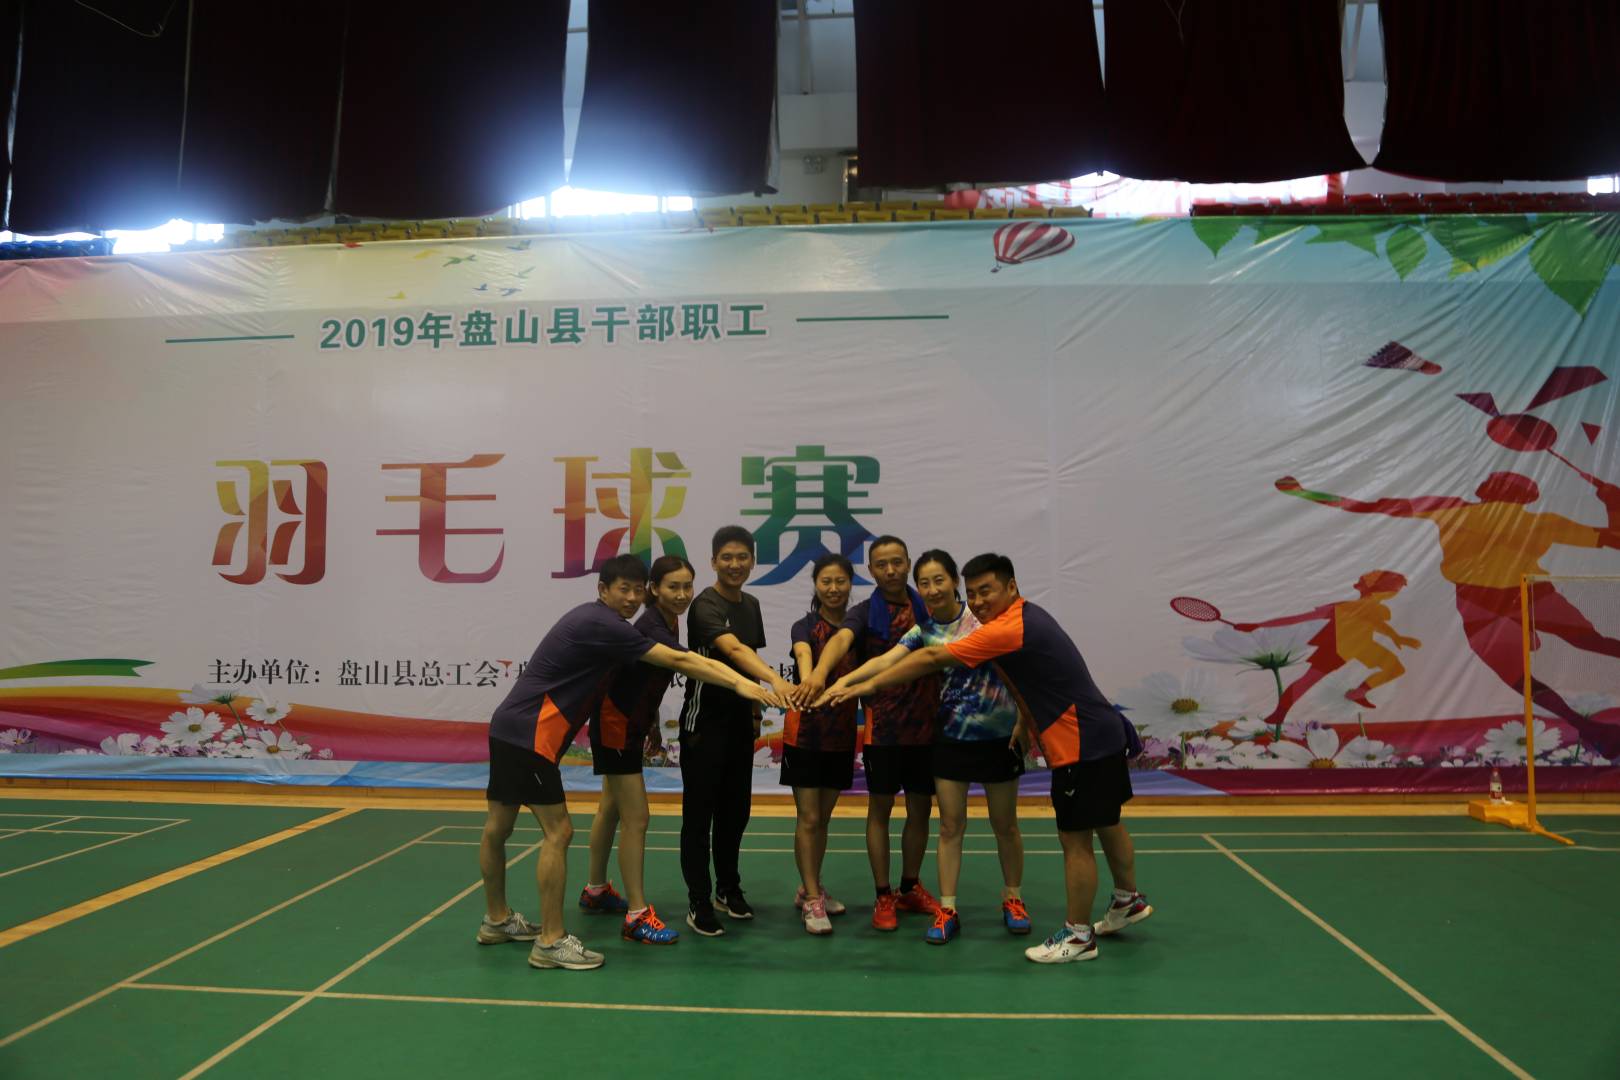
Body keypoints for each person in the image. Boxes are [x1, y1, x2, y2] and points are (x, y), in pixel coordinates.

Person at [822, 553, 1151, 964]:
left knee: (1075, 839)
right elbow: (1020, 679)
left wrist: (861, 688)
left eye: (987, 591)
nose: (978, 601)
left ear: (1011, 587)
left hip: (1080, 740)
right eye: (974, 593)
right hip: (1099, 731)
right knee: (1107, 821)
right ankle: (1127, 900)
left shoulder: (1007, 627)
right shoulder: (1022, 617)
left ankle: (1079, 935)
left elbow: (930, 659)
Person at [480, 553, 784, 971]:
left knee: (500, 827)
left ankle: (497, 919)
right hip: (533, 734)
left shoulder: (610, 622)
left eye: (637, 590)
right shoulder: (605, 624)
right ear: (602, 590)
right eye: (624, 589)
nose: (631, 598)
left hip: (509, 725)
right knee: (560, 832)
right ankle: (551, 941)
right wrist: (742, 683)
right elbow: (682, 661)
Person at [1276, 471, 1620, 756]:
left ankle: (1586, 727)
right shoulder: (1542, 522)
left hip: (1483, 602)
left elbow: (1371, 506)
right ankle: (1590, 728)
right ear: (1528, 496)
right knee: (1590, 642)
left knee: (1518, 677)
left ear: (1485, 489)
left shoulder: (1452, 509)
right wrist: (1612, 502)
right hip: (1526, 595)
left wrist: (1305, 493)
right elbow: (1614, 537)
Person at [825, 549, 1033, 944]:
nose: (933, 589)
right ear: (917, 589)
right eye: (924, 583)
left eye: (939, 580)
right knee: (951, 825)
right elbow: (885, 662)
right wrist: (842, 683)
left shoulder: (984, 622)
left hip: (1000, 738)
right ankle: (948, 908)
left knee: (1005, 825)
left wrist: (1025, 719)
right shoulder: (923, 631)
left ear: (954, 582)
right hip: (950, 739)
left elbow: (1021, 672)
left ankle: (1013, 898)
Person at [582, 555, 737, 946]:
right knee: (637, 818)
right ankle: (637, 916)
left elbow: (638, 679)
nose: (682, 594)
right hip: (616, 725)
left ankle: (596, 889)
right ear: (656, 589)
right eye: (673, 587)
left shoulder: (669, 619)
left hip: (629, 722)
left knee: (610, 807)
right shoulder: (652, 626)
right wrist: (743, 684)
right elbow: (683, 662)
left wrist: (650, 723)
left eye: (687, 586)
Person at [803, 535, 942, 931]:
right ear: (871, 570)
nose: (891, 570)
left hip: (927, 730)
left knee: (920, 811)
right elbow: (841, 640)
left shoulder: (929, 607)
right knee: (880, 812)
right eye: (882, 564)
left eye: (897, 562)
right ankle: (883, 895)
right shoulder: (863, 613)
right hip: (883, 731)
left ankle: (909, 887)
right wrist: (819, 673)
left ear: (908, 562)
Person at [679, 526, 798, 937]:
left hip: (738, 727)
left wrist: (755, 715)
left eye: (742, 557)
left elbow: (752, 656)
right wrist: (777, 682)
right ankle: (698, 901)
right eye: (726, 557)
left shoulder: (751, 604)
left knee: (735, 814)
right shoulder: (704, 605)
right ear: (713, 561)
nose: (735, 564)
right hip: (702, 726)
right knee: (699, 818)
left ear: (752, 560)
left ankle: (727, 889)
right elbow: (734, 650)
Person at [1228, 570, 1420, 730]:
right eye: (1393, 591)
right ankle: (1280, 713)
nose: (1393, 594)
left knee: (1395, 668)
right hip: (1336, 649)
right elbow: (1298, 618)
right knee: (1306, 682)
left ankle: (1358, 693)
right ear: (1383, 591)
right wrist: (1258, 625)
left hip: (1362, 646)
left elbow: (1377, 624)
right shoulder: (1343, 607)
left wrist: (1397, 637)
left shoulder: (1374, 609)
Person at [784, 554, 861, 935]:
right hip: (804, 732)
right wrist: (810, 680)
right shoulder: (805, 625)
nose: (833, 588)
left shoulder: (857, 627)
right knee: (809, 818)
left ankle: (809, 886)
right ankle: (813, 899)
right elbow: (803, 652)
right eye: (826, 581)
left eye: (840, 581)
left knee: (824, 819)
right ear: (816, 585)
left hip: (841, 735)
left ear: (850, 584)